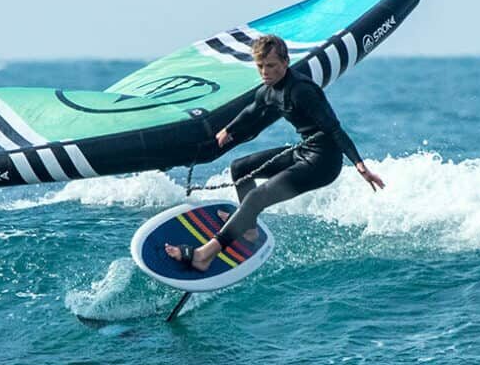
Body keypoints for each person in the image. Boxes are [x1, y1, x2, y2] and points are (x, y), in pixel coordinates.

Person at [164, 34, 385, 271]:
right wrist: (229, 129)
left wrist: (360, 165)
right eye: (260, 66)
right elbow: (252, 110)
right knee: (240, 168)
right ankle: (248, 229)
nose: (265, 72)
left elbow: (334, 128)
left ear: (286, 62)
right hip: (305, 150)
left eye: (271, 66)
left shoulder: (301, 90)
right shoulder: (269, 89)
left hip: (324, 162)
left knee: (256, 197)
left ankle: (203, 255)